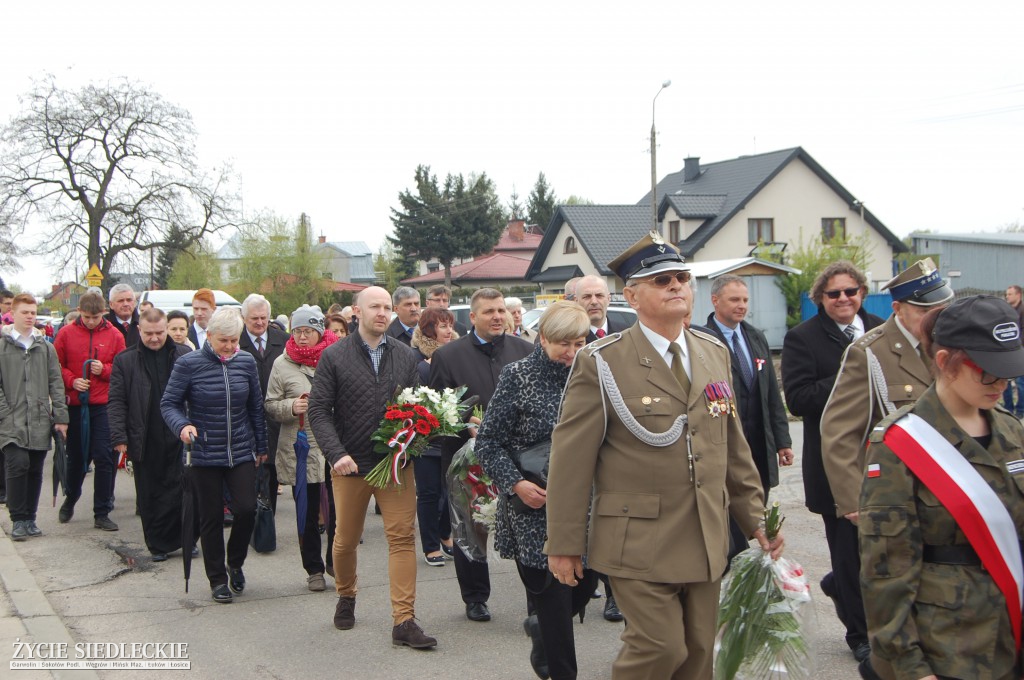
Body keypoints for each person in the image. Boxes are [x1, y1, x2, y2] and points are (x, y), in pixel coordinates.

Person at [545, 232, 780, 679]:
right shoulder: (603, 361)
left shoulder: (713, 353)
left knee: (697, 655)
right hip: (638, 538)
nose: (675, 286)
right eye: (660, 281)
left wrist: (757, 521)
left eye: (681, 277)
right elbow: (571, 460)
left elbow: (731, 448)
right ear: (632, 296)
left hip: (706, 534)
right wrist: (564, 543)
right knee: (659, 648)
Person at [859, 295, 1024, 680]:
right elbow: (886, 568)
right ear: (946, 361)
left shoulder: (1013, 432)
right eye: (987, 371)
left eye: (1008, 371)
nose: (1000, 383)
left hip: (1012, 637)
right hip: (949, 647)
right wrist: (909, 666)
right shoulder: (901, 443)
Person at [307, 286, 437, 649]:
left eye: (386, 307)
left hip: (395, 465)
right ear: (356, 311)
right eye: (374, 307)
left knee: (401, 537)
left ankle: (404, 620)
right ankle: (346, 594)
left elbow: (416, 408)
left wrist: (411, 443)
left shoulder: (405, 355)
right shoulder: (334, 356)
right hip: (350, 466)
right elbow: (318, 411)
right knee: (345, 540)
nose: (382, 313)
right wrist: (336, 454)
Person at [477, 300, 595, 680]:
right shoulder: (518, 375)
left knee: (584, 586)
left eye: (579, 344)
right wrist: (516, 484)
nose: (572, 353)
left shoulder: (594, 374)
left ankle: (541, 625)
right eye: (564, 344)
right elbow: (488, 442)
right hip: (535, 507)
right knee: (554, 600)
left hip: (587, 505)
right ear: (543, 337)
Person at [781, 260, 885, 663]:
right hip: (834, 464)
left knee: (884, 550)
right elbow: (799, 398)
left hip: (885, 461)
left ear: (861, 292)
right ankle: (859, 633)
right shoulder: (803, 338)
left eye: (851, 291)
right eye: (834, 294)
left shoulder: (880, 329)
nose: (844, 299)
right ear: (820, 299)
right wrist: (850, 373)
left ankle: (841, 587)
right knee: (849, 552)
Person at [430, 288, 534, 622]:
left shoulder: (526, 351)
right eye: (489, 311)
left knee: (525, 525)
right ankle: (475, 596)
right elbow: (437, 409)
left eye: (501, 310)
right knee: (471, 528)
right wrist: (465, 424)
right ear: (472, 317)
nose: (498, 317)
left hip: (519, 458)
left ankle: (537, 597)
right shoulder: (449, 356)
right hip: (466, 458)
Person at [822, 259, 953, 520]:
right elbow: (839, 433)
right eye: (924, 312)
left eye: (940, 310)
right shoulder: (869, 353)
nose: (935, 320)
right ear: (898, 309)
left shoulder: (949, 345)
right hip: (897, 493)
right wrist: (854, 501)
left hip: (949, 487)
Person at [161, 308, 268, 604]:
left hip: (240, 450)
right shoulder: (188, 364)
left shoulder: (245, 361)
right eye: (224, 341)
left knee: (246, 509)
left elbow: (255, 407)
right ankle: (217, 579)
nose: (231, 347)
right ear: (208, 336)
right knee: (209, 518)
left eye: (235, 340)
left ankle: (235, 562)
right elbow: (168, 403)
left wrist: (261, 446)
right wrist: (183, 425)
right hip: (204, 451)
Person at [265, 305, 339, 592]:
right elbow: (270, 404)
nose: (302, 337)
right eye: (297, 331)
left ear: (320, 331)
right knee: (306, 512)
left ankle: (335, 560)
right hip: (301, 445)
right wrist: (291, 406)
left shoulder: (335, 357)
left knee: (338, 511)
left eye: (308, 331)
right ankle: (314, 569)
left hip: (333, 444)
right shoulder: (282, 363)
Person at [108, 308, 191, 560]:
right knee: (150, 491)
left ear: (166, 329)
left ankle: (185, 539)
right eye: (148, 334)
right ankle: (157, 544)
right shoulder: (125, 360)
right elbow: (116, 401)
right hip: (144, 433)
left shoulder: (184, 355)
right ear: (139, 331)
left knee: (182, 488)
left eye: (159, 332)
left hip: (179, 432)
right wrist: (119, 438)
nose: (154, 338)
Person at [702, 274, 794, 498]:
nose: (741, 306)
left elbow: (772, 393)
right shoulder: (704, 340)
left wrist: (783, 442)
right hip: (727, 447)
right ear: (715, 300)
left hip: (760, 445)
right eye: (734, 300)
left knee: (758, 510)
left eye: (745, 300)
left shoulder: (756, 337)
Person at [54, 290, 126, 530]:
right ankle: (71, 498)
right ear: (80, 313)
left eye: (95, 317)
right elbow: (56, 367)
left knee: (105, 457)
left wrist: (103, 370)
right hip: (77, 406)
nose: (91, 321)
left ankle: (102, 511)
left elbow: (121, 367)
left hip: (104, 406)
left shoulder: (115, 335)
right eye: (87, 317)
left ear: (103, 313)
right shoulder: (65, 334)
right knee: (77, 459)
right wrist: (72, 380)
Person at [0, 294, 69, 540]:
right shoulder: (3, 345)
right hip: (11, 420)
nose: (30, 316)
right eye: (25, 312)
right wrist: (5, 414)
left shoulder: (45, 347)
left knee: (35, 469)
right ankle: (18, 519)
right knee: (17, 464)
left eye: (32, 312)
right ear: (13, 314)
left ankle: (30, 518)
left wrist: (61, 417)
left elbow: (56, 383)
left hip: (40, 418)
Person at [409, 307, 458, 567]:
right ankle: (430, 546)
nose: (448, 330)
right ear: (429, 330)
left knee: (450, 491)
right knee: (429, 494)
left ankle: (444, 534)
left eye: (450, 324)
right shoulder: (419, 364)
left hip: (451, 437)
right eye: (442, 326)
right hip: (427, 441)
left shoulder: (457, 357)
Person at [238, 294, 288, 513]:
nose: (259, 323)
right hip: (246, 417)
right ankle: (250, 518)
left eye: (263, 318)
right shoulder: (236, 342)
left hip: (277, 417)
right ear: (244, 318)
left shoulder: (284, 341)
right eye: (254, 318)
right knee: (248, 474)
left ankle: (267, 520)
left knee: (272, 471)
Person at [576, 275, 632, 343]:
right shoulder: (572, 337)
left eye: (599, 295)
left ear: (608, 299)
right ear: (577, 301)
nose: (594, 302)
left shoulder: (626, 333)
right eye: (587, 296)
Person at [1001, 284, 1024, 418]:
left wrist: (1017, 346)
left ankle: (1021, 409)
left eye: (1010, 294)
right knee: (1005, 380)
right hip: (1006, 350)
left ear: (1018, 295)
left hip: (1020, 350)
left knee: (1021, 382)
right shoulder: (1006, 310)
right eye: (1007, 294)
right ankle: (1008, 407)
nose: (1007, 296)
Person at [105, 283, 140, 348]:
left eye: (129, 300)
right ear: (111, 304)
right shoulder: (103, 324)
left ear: (135, 302)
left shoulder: (144, 322)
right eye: (121, 301)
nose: (125, 304)